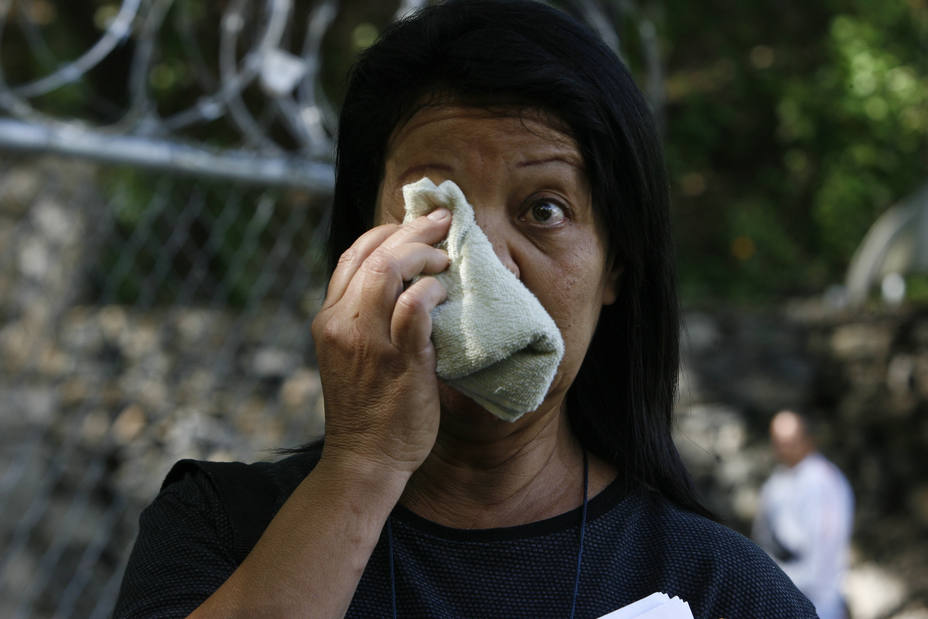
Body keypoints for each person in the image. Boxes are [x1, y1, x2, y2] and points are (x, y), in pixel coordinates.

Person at [114, 1, 816, 617]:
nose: (484, 263)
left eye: (545, 209)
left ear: (616, 267)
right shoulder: (219, 530)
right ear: (365, 244)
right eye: (434, 205)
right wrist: (362, 464)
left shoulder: (715, 588)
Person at [753, 410, 854, 619]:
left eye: (790, 441)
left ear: (807, 439)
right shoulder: (776, 483)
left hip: (819, 605)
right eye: (778, 442)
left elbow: (821, 560)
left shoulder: (823, 481)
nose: (784, 449)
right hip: (779, 598)